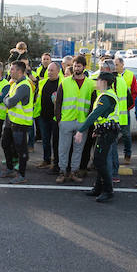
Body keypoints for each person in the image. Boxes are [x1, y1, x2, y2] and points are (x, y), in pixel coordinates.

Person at [75, 72, 123, 203]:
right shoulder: (105, 95)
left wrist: (80, 130)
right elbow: (104, 116)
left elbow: (95, 114)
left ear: (104, 82)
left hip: (108, 133)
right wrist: (97, 129)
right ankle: (98, 188)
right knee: (98, 160)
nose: (96, 83)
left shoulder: (106, 97)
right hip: (105, 131)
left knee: (99, 160)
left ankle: (108, 191)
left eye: (98, 80)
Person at [56, 56, 93, 184]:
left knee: (78, 149)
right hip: (66, 120)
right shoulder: (65, 82)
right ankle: (62, 172)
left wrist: (88, 121)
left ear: (84, 67)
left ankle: (74, 172)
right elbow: (58, 102)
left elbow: (93, 103)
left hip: (82, 122)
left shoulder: (90, 84)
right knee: (63, 148)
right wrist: (59, 120)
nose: (76, 68)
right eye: (75, 66)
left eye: (79, 66)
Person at [0, 60, 34, 182]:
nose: (10, 71)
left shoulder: (24, 85)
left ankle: (22, 175)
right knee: (5, 144)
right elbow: (6, 99)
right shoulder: (15, 83)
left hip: (20, 123)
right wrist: (7, 100)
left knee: (21, 150)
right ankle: (10, 169)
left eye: (12, 69)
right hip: (11, 121)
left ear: (19, 71)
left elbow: (9, 102)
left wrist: (7, 101)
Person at [36, 60, 61, 172]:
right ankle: (46, 159)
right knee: (45, 140)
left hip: (56, 118)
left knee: (56, 141)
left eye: (52, 70)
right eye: (48, 70)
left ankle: (56, 162)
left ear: (58, 71)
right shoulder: (43, 83)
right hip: (43, 116)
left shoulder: (62, 84)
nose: (49, 72)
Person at [113, 56, 137, 165]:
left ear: (122, 65)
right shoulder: (112, 76)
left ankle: (127, 155)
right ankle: (113, 156)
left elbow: (135, 92)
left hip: (124, 111)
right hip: (113, 112)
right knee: (113, 135)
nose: (115, 67)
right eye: (114, 65)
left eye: (117, 65)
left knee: (126, 135)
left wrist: (129, 106)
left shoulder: (129, 75)